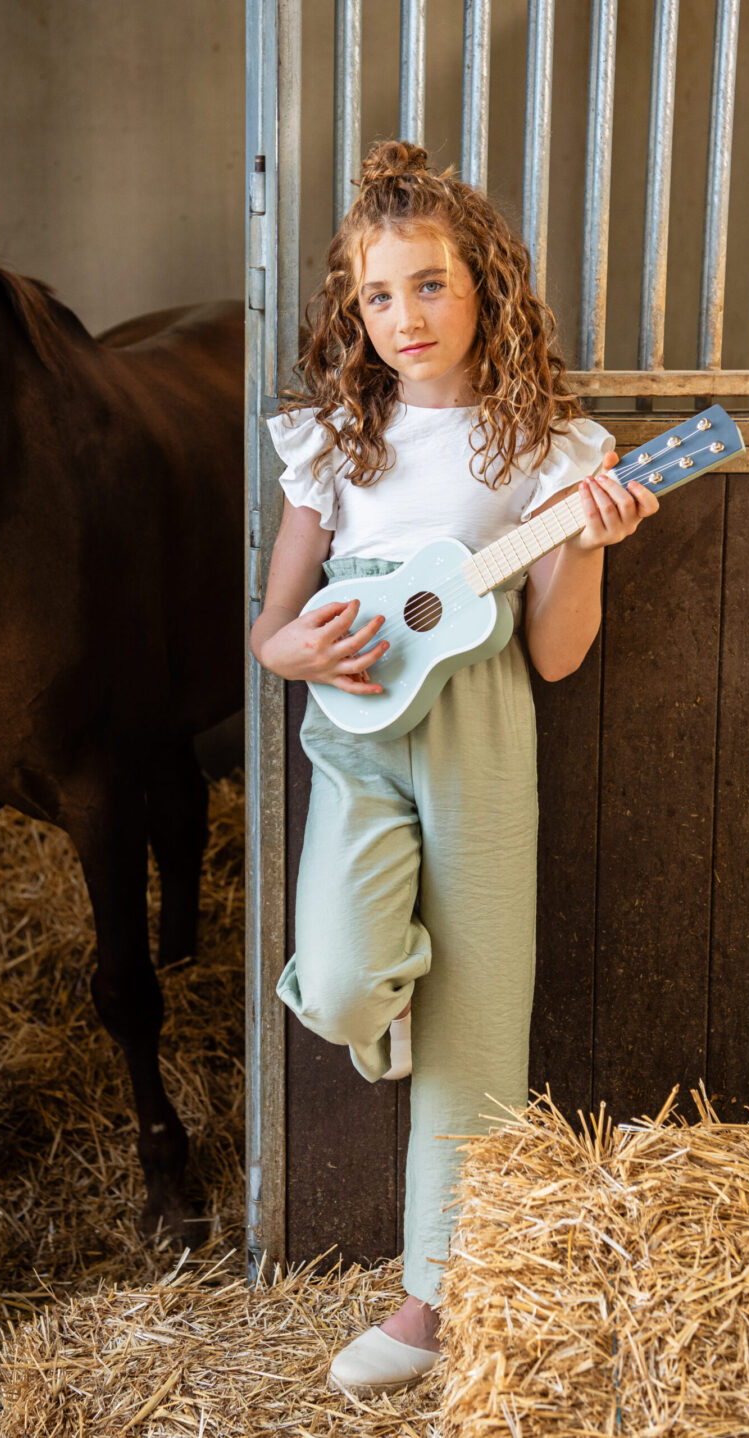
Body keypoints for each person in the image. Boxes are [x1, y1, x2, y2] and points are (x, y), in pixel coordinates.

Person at [249, 139, 658, 1397]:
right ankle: (406, 973)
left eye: (429, 285)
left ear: (486, 283)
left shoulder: (545, 447)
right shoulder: (334, 439)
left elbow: (555, 655)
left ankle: (432, 1305)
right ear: (350, 309)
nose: (404, 318)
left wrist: (583, 547)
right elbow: (272, 630)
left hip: (481, 726)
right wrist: (290, 645)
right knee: (346, 976)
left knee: (485, 1031)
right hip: (357, 726)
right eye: (378, 295)